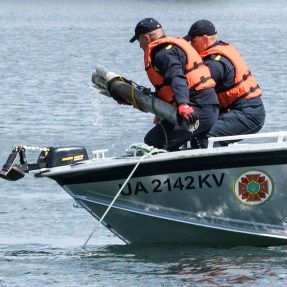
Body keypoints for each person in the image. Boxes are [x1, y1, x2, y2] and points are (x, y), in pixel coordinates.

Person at [129, 18, 219, 151]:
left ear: (146, 38)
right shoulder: (170, 48)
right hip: (205, 106)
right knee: (167, 139)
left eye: (139, 40)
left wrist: (183, 104)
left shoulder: (162, 54)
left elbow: (177, 77)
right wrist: (162, 111)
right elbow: (168, 86)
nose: (140, 46)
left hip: (198, 109)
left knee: (153, 140)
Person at [183, 20, 265, 146]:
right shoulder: (218, 51)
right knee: (196, 136)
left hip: (248, 113)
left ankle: (216, 165)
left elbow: (196, 89)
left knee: (206, 137)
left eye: (193, 41)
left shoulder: (215, 63)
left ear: (204, 39)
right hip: (239, 110)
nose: (191, 46)